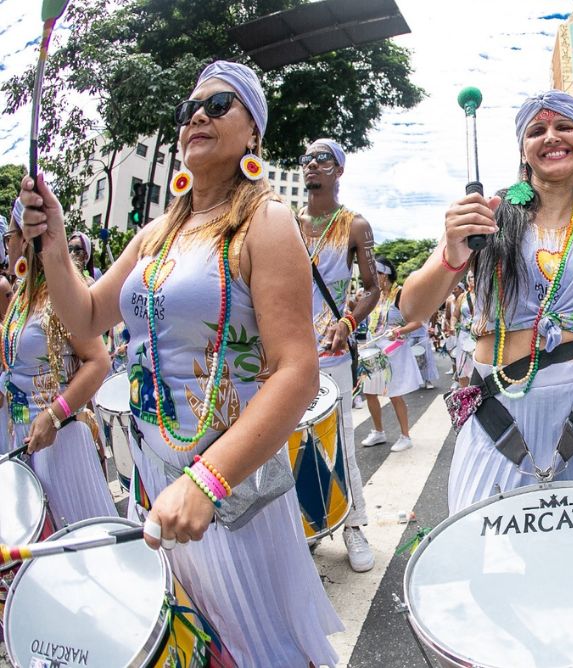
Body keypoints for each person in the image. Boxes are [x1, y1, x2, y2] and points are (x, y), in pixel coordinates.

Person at [18, 60, 341, 665]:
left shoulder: (266, 222)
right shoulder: (156, 235)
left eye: (219, 105)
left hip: (229, 487)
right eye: (188, 109)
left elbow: (297, 370)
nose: (197, 115)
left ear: (253, 134)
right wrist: (56, 243)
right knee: (195, 644)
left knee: (253, 648)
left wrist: (209, 479)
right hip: (157, 477)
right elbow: (86, 317)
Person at [399, 91, 573, 513]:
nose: (551, 136)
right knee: (487, 554)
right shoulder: (487, 215)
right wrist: (452, 255)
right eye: (537, 131)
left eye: (564, 127)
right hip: (499, 414)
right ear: (524, 150)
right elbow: (412, 310)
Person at [298, 137, 380, 572]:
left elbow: (373, 287)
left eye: (322, 158)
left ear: (339, 170)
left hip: (332, 353)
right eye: (307, 159)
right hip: (290, 355)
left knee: (340, 438)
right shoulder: (288, 224)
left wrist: (346, 323)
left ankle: (353, 525)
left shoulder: (354, 225)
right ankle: (312, 522)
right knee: (295, 442)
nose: (312, 165)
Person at [2, 211, 115, 523]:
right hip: (25, 438)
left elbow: (99, 360)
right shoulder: (21, 296)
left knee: (78, 545)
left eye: (8, 237)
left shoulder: (59, 293)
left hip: (61, 438)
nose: (7, 245)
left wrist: (53, 415)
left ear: (25, 237)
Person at [357, 257, 423, 452]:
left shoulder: (400, 294)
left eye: (374, 274)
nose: (370, 278)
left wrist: (398, 331)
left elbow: (419, 321)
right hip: (374, 348)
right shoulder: (374, 296)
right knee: (369, 392)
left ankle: (405, 435)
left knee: (395, 394)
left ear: (384, 275)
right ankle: (379, 432)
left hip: (394, 351)